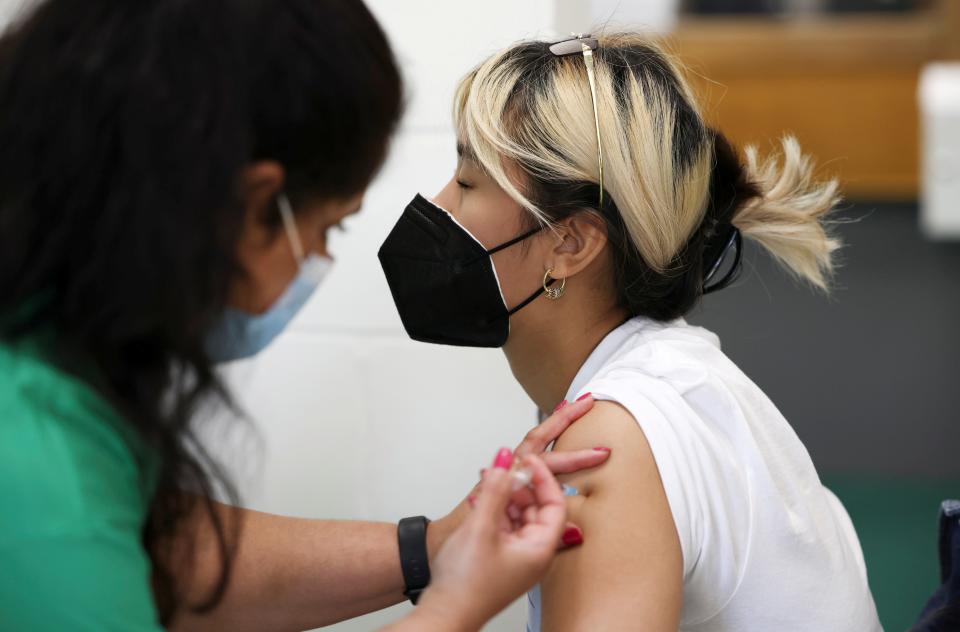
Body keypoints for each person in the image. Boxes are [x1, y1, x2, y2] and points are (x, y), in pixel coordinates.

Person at [0, 2, 612, 630]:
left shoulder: (47, 363)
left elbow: (150, 550)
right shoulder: (35, 467)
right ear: (253, 203)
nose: (317, 260)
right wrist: (457, 606)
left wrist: (435, 548)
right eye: (325, 228)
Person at [379, 33, 882, 630]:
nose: (438, 205)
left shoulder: (608, 438)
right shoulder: (678, 373)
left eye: (465, 183)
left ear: (570, 242)